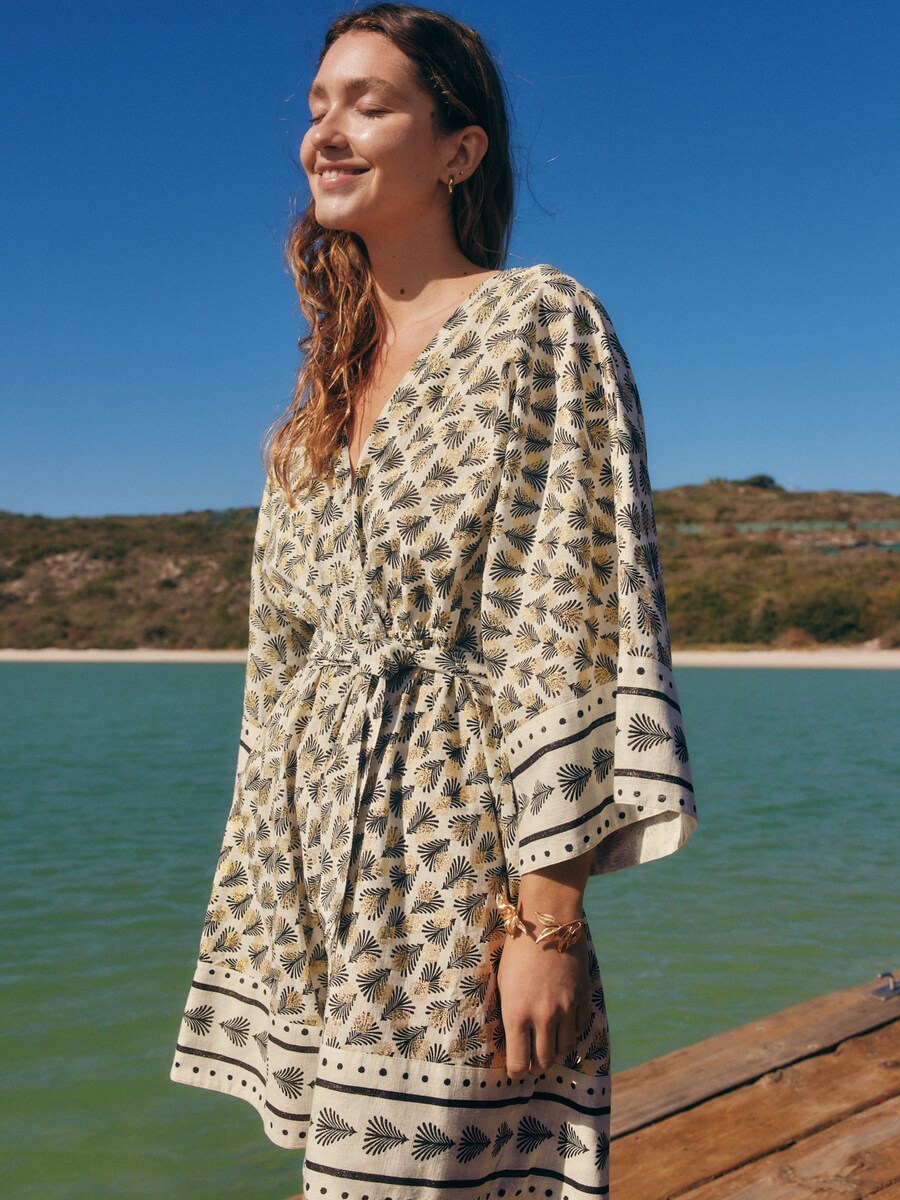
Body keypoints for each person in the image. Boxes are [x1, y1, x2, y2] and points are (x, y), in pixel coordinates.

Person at [170, 4, 698, 1197]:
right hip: (317, 862)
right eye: (317, 107)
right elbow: (277, 669)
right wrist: (265, 913)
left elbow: (569, 617)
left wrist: (547, 920)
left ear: (460, 149)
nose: (326, 133)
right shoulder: (318, 393)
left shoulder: (537, 323)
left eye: (369, 105)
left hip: (458, 850)